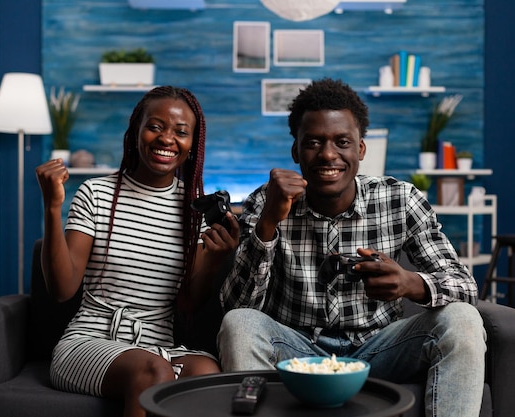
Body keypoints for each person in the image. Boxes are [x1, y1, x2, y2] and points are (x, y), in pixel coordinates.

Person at [218, 78, 486, 416]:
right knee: (240, 323)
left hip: (381, 350)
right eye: (313, 142)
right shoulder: (265, 201)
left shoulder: (400, 199)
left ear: (360, 148)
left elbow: (464, 286)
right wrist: (268, 223)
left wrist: (410, 283)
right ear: (296, 151)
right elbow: (235, 306)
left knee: (462, 318)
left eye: (342, 142)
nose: (328, 154)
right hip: (297, 351)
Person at [36, 86, 239, 417]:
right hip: (89, 341)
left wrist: (214, 260)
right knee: (153, 371)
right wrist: (51, 207)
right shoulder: (96, 194)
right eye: (155, 126)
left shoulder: (195, 211)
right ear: (135, 132)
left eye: (180, 132)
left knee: (207, 375)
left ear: (193, 145)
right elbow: (62, 290)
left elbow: (189, 303)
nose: (166, 139)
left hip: (158, 345)